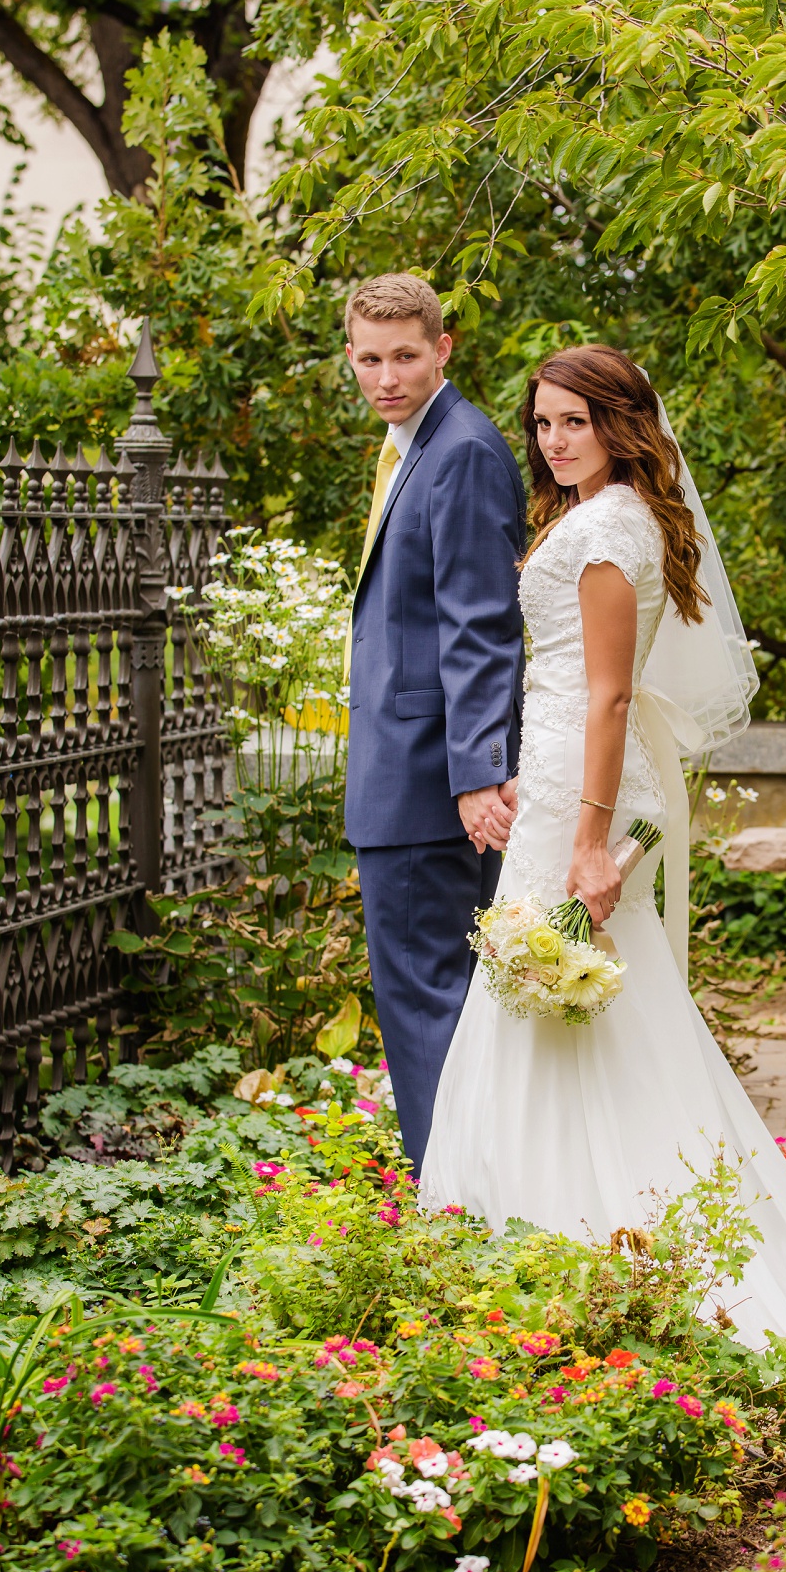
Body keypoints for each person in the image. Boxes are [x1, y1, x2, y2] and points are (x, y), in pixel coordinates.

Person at [421, 344, 786, 1401]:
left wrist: (594, 841)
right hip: (560, 780)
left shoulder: (606, 531)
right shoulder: (605, 517)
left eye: (575, 422)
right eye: (544, 422)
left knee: (560, 1013)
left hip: (574, 798)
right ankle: (576, 1238)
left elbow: (608, 697)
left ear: (619, 424)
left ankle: (589, 1243)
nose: (555, 440)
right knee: (594, 1021)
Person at [343, 274, 525, 1177]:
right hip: (407, 776)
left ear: (442, 350)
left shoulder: (460, 450)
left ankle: (450, 1207)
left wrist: (476, 774)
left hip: (428, 787)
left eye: (405, 356)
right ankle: (466, 1194)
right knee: (432, 997)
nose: (387, 376)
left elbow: (482, 623)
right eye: (370, 359)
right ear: (351, 356)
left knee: (424, 1003)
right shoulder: (411, 447)